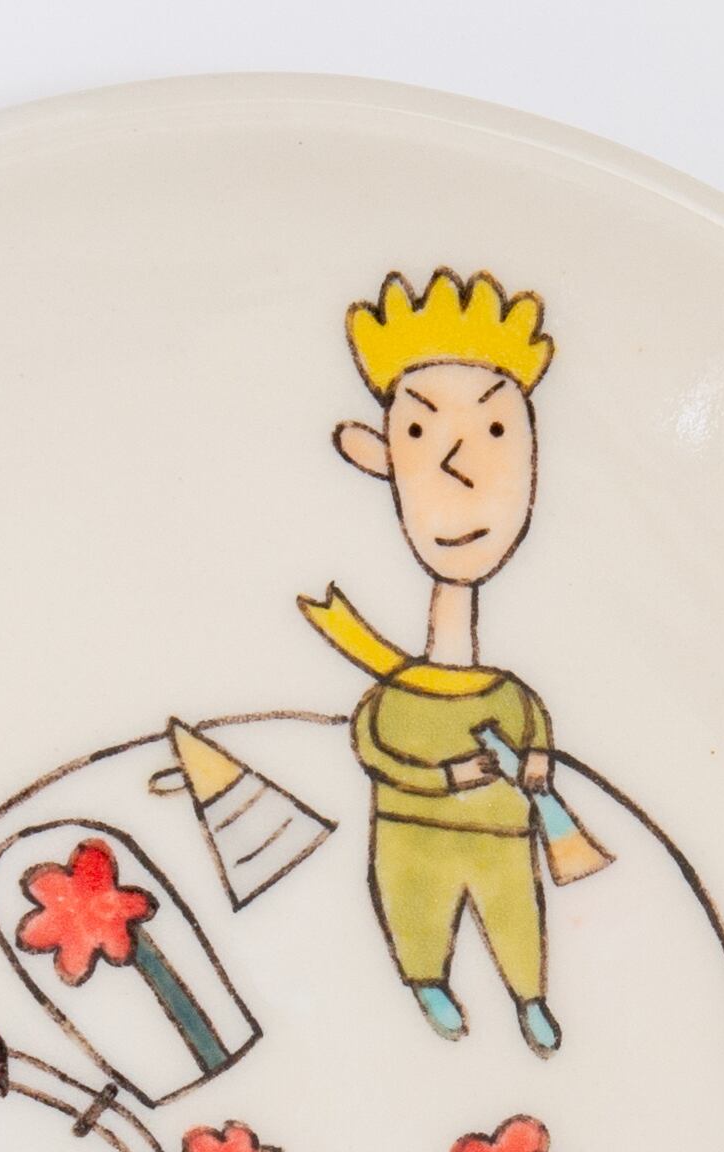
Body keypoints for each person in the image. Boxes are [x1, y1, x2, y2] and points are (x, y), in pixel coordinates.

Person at [300, 268, 562, 1055]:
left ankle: (530, 1000)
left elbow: (532, 725)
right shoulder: (393, 698)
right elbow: (373, 748)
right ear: (379, 455)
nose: (459, 469)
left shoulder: (508, 694)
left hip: (502, 832)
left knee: (515, 913)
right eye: (420, 434)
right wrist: (443, 778)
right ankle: (428, 983)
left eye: (496, 432)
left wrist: (538, 759)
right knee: (417, 916)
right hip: (411, 832)